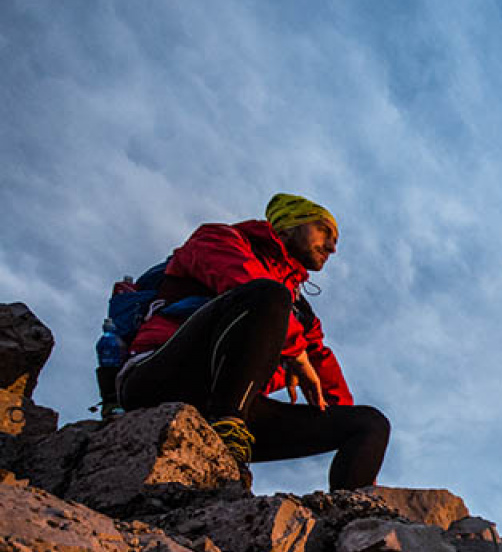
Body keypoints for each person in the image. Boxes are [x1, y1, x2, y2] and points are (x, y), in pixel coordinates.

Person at [117, 193, 389, 491]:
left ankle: (353, 517)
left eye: (336, 240)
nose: (332, 247)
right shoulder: (217, 239)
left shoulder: (300, 310)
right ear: (287, 225)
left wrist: (362, 453)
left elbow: (326, 372)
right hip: (162, 379)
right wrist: (295, 352)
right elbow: (239, 278)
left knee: (370, 423)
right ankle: (227, 435)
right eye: (324, 230)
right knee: (269, 295)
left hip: (241, 407)